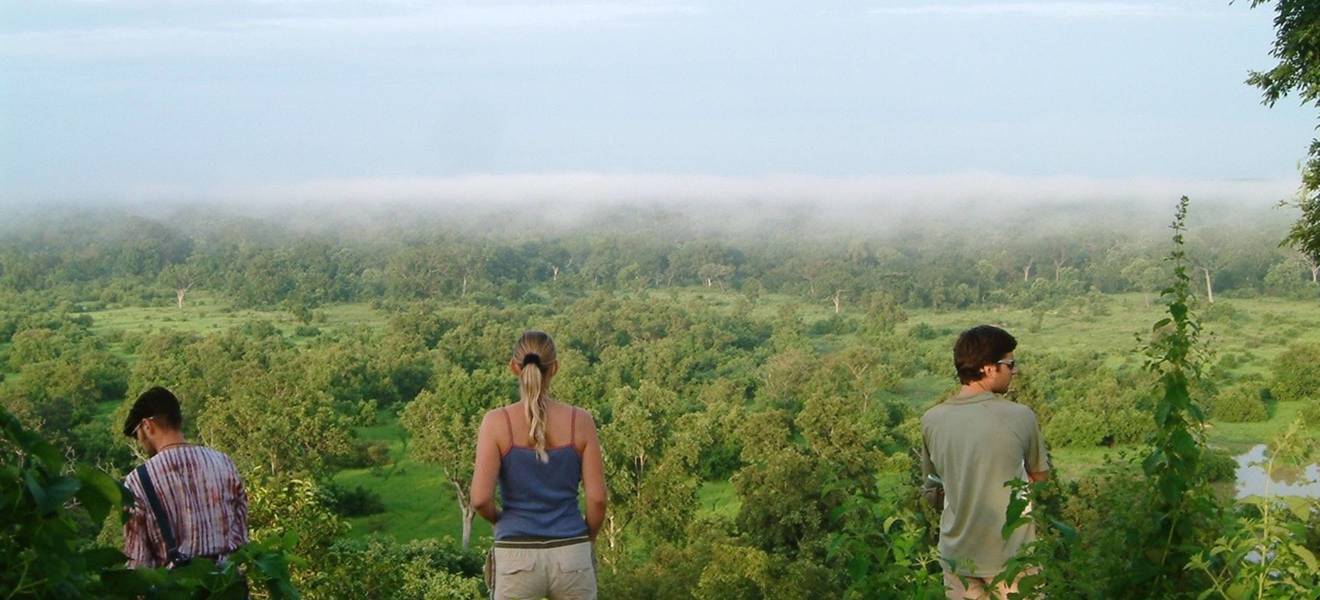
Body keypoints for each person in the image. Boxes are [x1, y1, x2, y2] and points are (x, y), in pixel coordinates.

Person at [471, 330, 607, 600]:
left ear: (514, 368)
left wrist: (503, 520)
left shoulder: (496, 423)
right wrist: (585, 539)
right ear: (554, 368)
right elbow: (598, 499)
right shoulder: (580, 421)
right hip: (571, 552)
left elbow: (479, 499)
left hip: (516, 554)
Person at [920, 325, 1049, 600]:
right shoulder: (1020, 416)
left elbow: (933, 489)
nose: (1014, 371)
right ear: (989, 368)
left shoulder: (931, 420)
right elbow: (1040, 479)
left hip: (957, 557)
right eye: (1010, 364)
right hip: (1012, 558)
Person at [121, 386, 249, 569]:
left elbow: (138, 563)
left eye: (137, 435)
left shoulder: (137, 482)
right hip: (226, 586)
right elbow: (241, 542)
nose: (139, 442)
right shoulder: (224, 463)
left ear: (147, 426)